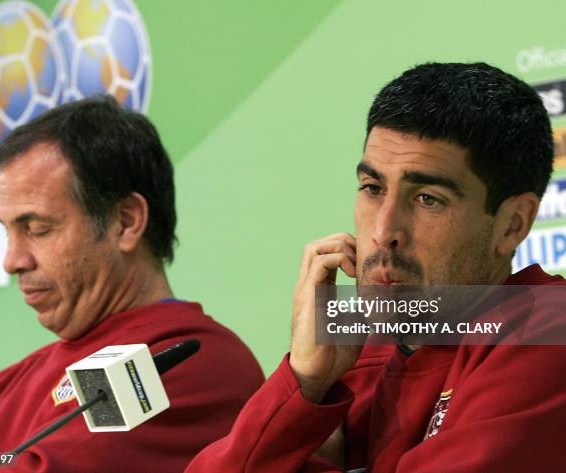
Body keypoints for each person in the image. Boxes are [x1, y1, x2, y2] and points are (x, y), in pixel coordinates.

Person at [184, 62, 566, 472]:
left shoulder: (547, 331)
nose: (384, 231)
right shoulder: (350, 356)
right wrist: (305, 383)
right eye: (372, 188)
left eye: (428, 199)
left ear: (512, 224)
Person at [0, 96, 264, 473]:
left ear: (126, 222)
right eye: (7, 232)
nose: (12, 260)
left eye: (37, 229)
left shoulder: (189, 360)